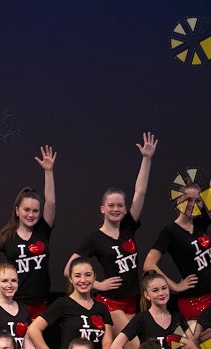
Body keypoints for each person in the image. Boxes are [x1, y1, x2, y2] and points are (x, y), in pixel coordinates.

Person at [64, 133, 158, 336]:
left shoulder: (128, 228)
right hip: (111, 303)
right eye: (111, 205)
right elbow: (67, 270)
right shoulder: (94, 238)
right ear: (102, 209)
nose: (116, 209)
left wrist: (146, 158)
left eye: (120, 205)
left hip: (133, 301)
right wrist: (97, 284)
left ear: (125, 209)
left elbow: (140, 193)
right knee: (132, 344)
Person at [144, 128, 211, 321]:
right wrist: (175, 286)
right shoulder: (170, 232)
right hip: (194, 301)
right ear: (178, 200)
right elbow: (148, 264)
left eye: (197, 200)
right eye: (188, 199)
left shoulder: (201, 221)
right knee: (204, 341)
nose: (192, 204)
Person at [0, 146, 57, 320]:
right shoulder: (6, 236)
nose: (31, 214)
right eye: (26, 210)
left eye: (35, 211)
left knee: (35, 339)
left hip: (41, 303)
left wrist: (48, 172)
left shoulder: (43, 231)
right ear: (17, 210)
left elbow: (50, 202)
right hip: (14, 303)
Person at [27, 257, 113, 349]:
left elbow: (107, 341)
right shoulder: (63, 304)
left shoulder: (102, 308)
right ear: (70, 279)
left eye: (88, 275)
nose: (83, 280)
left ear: (94, 277)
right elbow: (33, 329)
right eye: (77, 276)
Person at [110, 271, 197, 349]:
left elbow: (188, 348)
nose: (161, 293)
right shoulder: (141, 319)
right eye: (155, 290)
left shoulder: (178, 318)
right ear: (147, 295)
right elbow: (115, 347)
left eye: (164, 288)